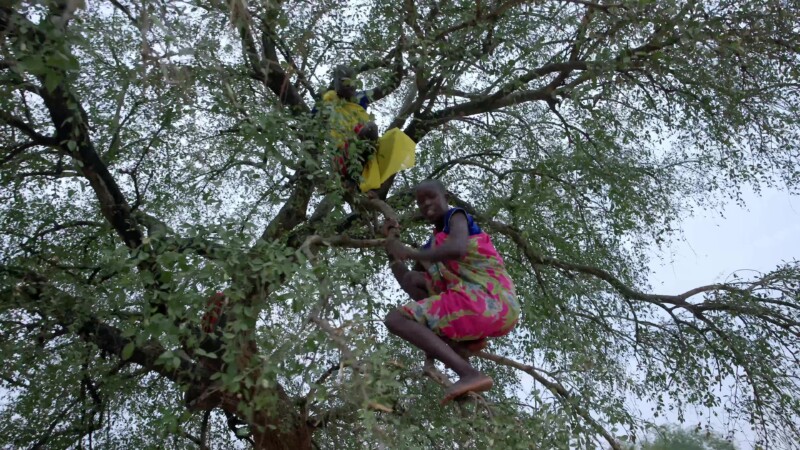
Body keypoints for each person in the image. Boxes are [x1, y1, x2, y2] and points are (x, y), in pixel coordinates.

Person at [382, 179, 520, 404]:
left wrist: (409, 252)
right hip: (488, 312)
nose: (426, 204)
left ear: (446, 196)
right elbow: (409, 283)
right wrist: (391, 247)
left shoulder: (456, 217)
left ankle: (468, 373)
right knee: (416, 280)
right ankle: (464, 341)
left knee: (396, 318)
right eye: (420, 201)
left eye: (431, 197)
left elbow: (457, 249)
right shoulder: (432, 248)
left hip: (487, 300)